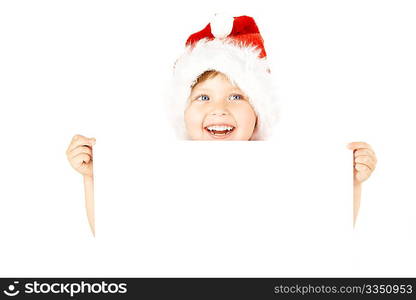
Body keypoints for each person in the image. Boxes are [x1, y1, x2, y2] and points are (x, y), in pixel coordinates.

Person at [66, 15, 376, 233]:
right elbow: (120, 232)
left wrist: (349, 182)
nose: (219, 109)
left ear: (258, 114)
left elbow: (320, 231)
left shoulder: (283, 172)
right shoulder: (160, 171)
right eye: (203, 98)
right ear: (182, 113)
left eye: (237, 97)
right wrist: (95, 177)